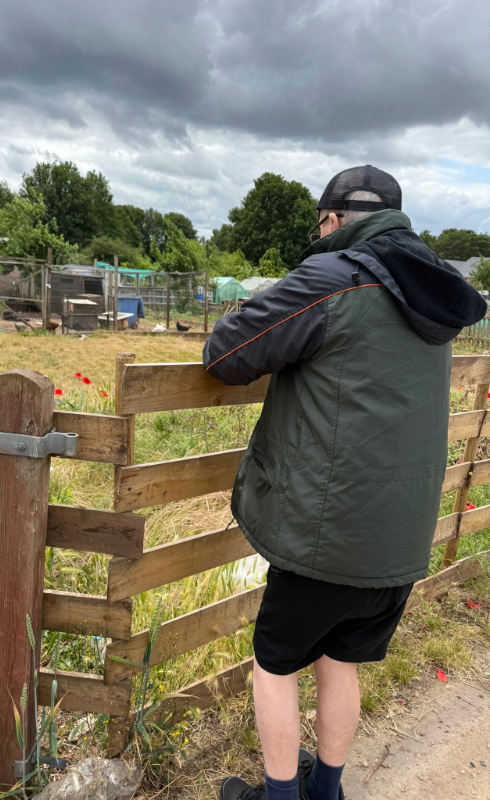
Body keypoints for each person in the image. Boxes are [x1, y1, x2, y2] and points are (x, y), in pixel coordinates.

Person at [203, 165, 487, 800]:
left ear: (333, 221)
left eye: (320, 226)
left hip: (328, 534)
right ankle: (326, 790)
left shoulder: (332, 277)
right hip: (401, 536)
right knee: (341, 660)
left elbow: (225, 354)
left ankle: (280, 796)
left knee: (274, 666)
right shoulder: (432, 290)